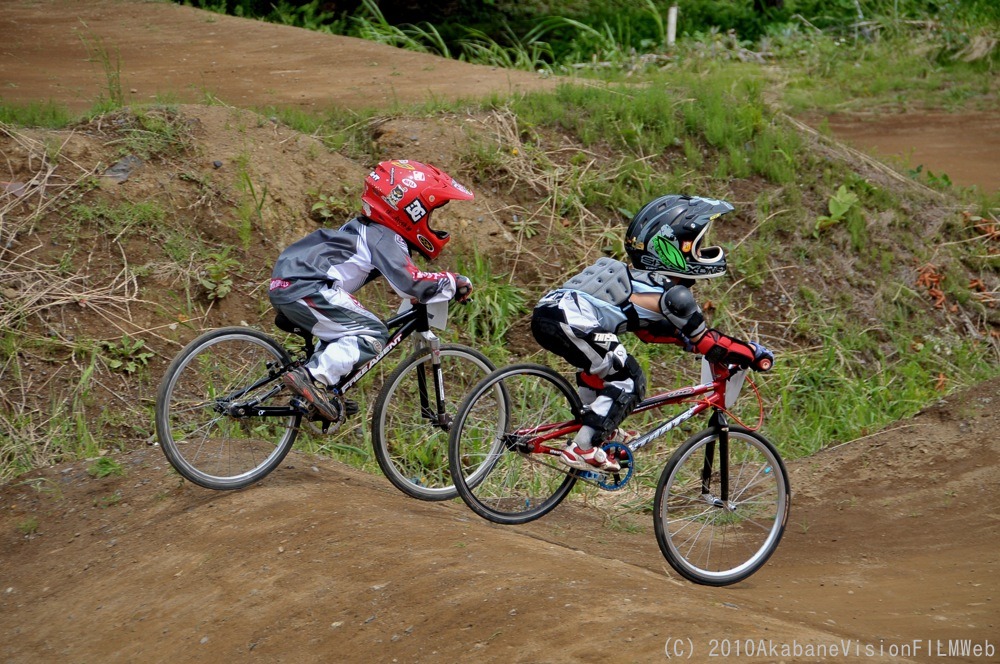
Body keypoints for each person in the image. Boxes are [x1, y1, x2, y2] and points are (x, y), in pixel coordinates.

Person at [531, 194, 774, 472]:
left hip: (549, 312)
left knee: (606, 367)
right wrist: (751, 353)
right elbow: (708, 342)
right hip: (574, 319)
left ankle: (600, 428)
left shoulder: (640, 281)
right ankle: (583, 448)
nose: (704, 251)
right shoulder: (675, 295)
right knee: (630, 380)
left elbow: (652, 333)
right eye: (698, 246)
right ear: (675, 249)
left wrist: (688, 343)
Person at [269, 159, 475, 421]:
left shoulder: (362, 228)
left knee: (344, 330)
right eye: (429, 213)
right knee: (372, 331)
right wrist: (451, 281)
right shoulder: (384, 236)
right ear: (411, 210)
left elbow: (403, 278)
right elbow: (409, 282)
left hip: (292, 283)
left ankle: (323, 390)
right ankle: (312, 378)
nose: (431, 222)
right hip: (308, 286)